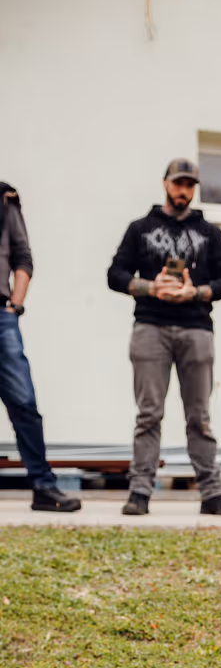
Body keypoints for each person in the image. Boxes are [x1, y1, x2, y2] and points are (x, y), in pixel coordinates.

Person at [108, 159, 221, 517]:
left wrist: (195, 293)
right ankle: (139, 492)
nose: (184, 190)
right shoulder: (140, 228)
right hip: (150, 326)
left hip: (197, 328)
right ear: (165, 183)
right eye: (178, 183)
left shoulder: (210, 232)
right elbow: (115, 275)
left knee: (199, 415)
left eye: (190, 185)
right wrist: (150, 287)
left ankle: (213, 493)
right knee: (149, 413)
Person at [0, 183, 80, 512]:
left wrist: (14, 307)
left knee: (24, 403)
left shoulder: (5, 200)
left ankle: (43, 486)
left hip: (1, 316)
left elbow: (22, 256)